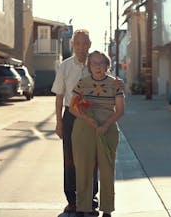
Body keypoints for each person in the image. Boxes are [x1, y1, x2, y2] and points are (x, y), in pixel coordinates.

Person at [69, 51, 125, 217]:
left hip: (108, 129)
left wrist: (106, 125)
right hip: (84, 128)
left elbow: (120, 110)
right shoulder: (82, 83)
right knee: (83, 169)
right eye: (94, 63)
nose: (98, 66)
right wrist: (87, 118)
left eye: (101, 63)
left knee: (107, 170)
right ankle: (83, 208)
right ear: (89, 66)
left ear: (107, 65)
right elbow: (72, 107)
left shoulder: (116, 84)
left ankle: (107, 209)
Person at [51, 29, 100, 216]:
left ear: (89, 44)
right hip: (70, 116)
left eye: (84, 43)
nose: (81, 47)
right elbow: (59, 97)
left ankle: (91, 199)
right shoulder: (65, 67)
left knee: (91, 159)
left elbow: (106, 88)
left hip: (92, 116)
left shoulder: (96, 65)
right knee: (70, 159)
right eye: (77, 43)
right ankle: (72, 201)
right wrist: (59, 123)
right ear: (72, 45)